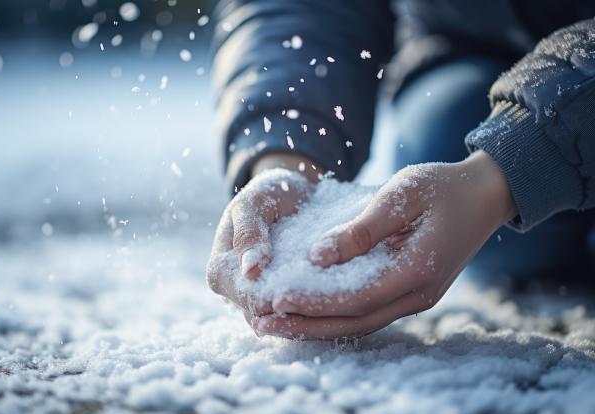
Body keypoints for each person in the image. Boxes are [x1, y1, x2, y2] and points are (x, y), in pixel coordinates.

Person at [206, 0, 595, 339]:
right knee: (443, 140)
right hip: (475, 51)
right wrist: (283, 160)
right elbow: (304, 8)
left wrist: (507, 167)